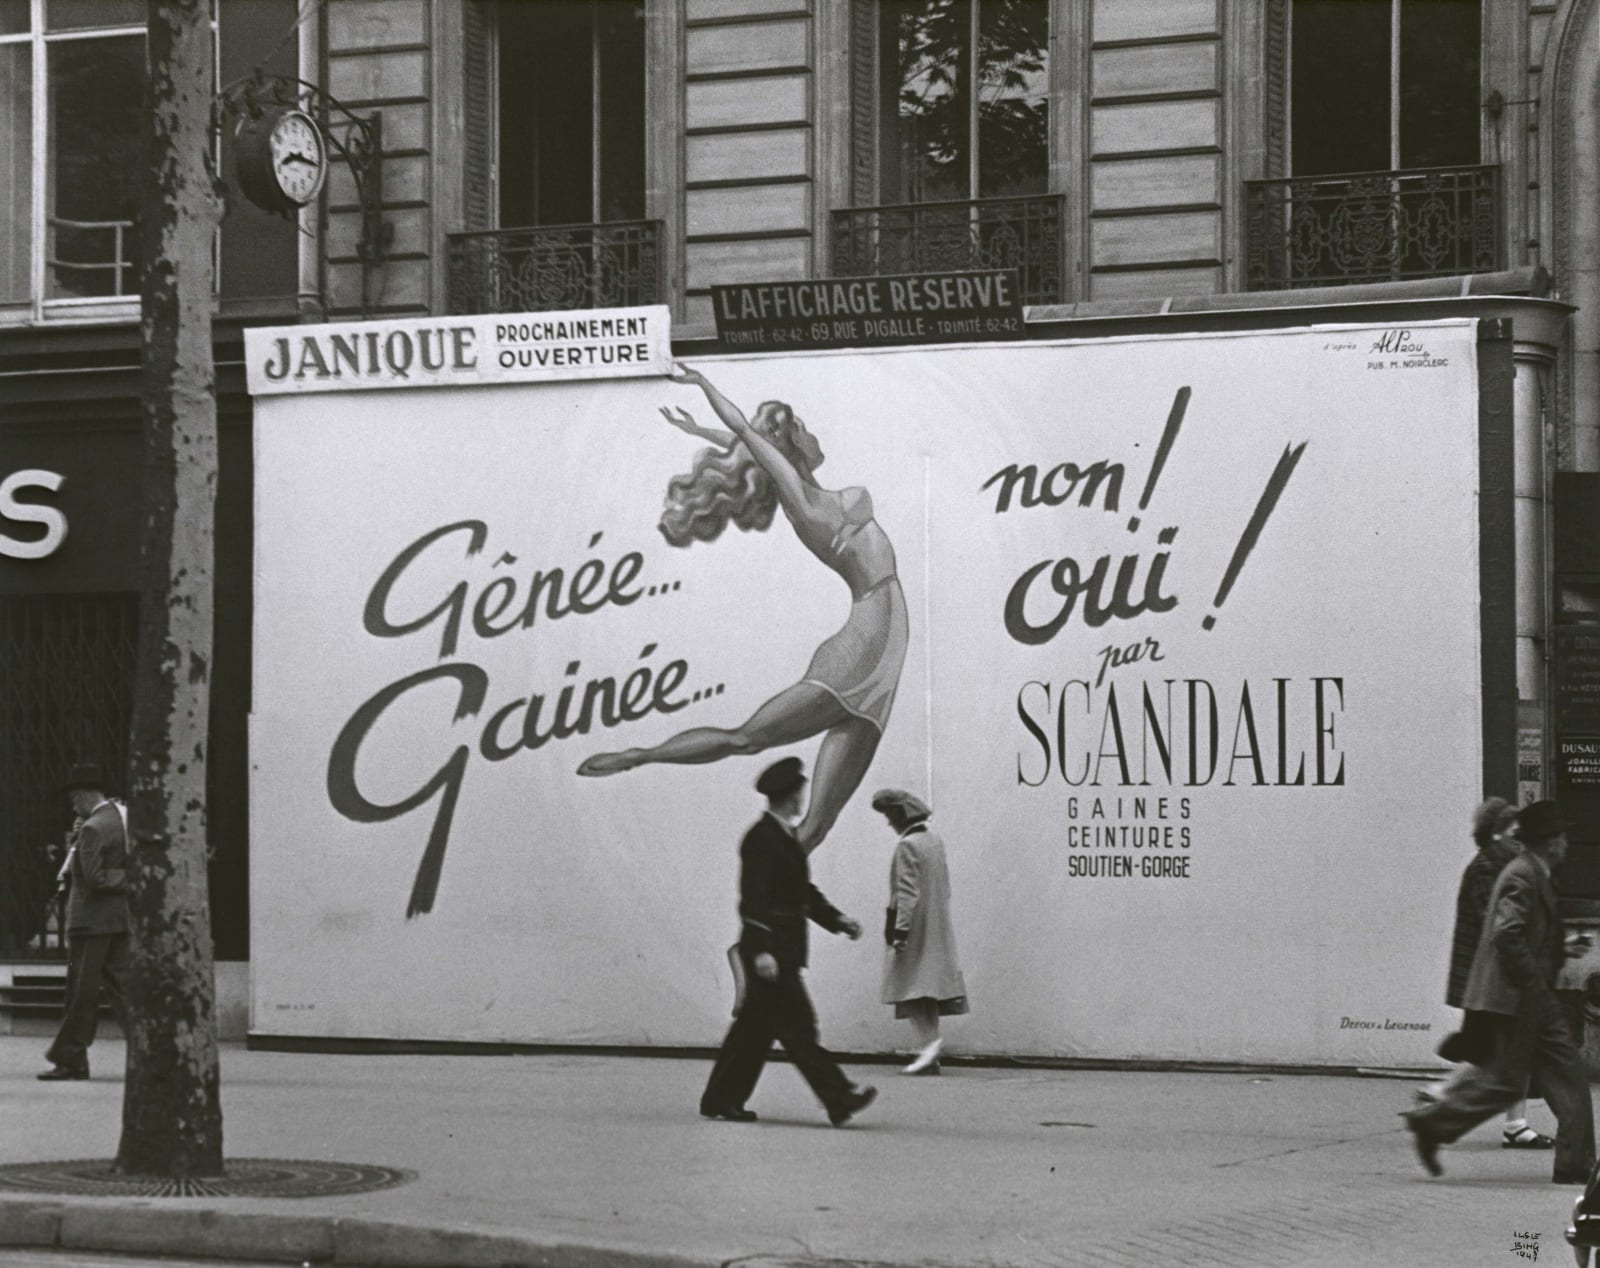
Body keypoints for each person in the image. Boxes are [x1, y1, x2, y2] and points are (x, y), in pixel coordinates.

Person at [579, 365, 908, 856]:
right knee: (746, 739)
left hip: (886, 658)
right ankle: (638, 756)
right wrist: (705, 386)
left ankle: (764, 928)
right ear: (791, 442)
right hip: (864, 644)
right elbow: (745, 432)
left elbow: (749, 445)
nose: (809, 431)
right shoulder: (806, 504)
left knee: (815, 829)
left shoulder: (817, 491)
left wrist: (700, 432)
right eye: (799, 427)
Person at [1404, 800, 1596, 1183]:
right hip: (1522, 998)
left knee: (1524, 1079)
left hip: (1527, 998)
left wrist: (1562, 949)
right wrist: (1532, 982)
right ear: (1549, 842)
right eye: (1561, 836)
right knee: (1553, 1076)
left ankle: (1574, 1163)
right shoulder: (1523, 875)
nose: (1567, 844)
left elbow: (1525, 934)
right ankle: (1575, 1164)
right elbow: (1507, 934)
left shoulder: (1534, 872)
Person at [699, 756, 878, 1127]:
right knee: (799, 1028)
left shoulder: (783, 837)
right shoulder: (760, 840)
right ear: (788, 796)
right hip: (771, 952)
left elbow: (803, 893)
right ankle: (839, 1097)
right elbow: (753, 899)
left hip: (783, 950)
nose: (803, 798)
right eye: (800, 792)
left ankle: (719, 1099)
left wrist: (837, 919)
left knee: (752, 1033)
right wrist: (761, 950)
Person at [1421, 797, 1549, 1148]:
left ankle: (1445, 1097)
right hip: (1491, 979)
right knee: (1501, 1052)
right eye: (1512, 833)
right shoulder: (1488, 868)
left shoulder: (1503, 866)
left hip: (1495, 978)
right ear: (1495, 834)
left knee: (1498, 1052)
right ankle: (1447, 1097)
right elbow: (1493, 927)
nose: (1518, 839)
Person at [38, 763, 129, 1082]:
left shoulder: (93, 827)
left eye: (74, 799)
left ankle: (71, 1058)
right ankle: (153, 1052)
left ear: (85, 795)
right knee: (124, 991)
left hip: (90, 922)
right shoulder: (118, 817)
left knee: (80, 994)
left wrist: (134, 878)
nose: (72, 806)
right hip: (118, 920)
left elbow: (95, 877)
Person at [872, 788, 968, 1075]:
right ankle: (930, 1050)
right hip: (936, 924)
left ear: (901, 816)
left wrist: (900, 932)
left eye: (891, 816)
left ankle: (928, 1051)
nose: (889, 823)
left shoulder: (907, 846)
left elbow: (906, 893)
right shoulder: (934, 842)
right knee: (927, 992)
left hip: (913, 927)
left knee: (912, 990)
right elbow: (945, 886)